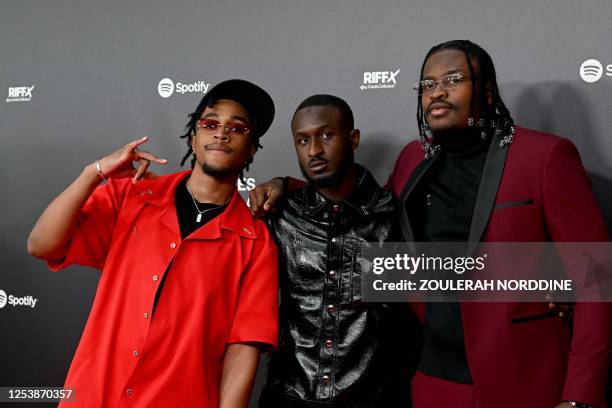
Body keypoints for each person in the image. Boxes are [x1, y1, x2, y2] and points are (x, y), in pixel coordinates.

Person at [250, 41, 611, 408]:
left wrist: (580, 398)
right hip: (429, 381)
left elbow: (597, 280)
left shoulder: (544, 155)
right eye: (427, 84)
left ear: (486, 91)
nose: (437, 91)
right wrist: (286, 186)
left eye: (453, 79)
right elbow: (362, 207)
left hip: (518, 377)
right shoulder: (413, 159)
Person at [27, 79, 279, 408]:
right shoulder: (130, 197)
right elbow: (41, 244)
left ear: (252, 149)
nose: (221, 133)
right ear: (194, 136)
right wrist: (95, 172)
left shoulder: (256, 243)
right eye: (211, 123)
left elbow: (243, 350)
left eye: (238, 127)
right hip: (93, 397)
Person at [257, 95, 419, 408]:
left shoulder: (393, 216)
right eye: (303, 140)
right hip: (290, 396)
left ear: (353, 138)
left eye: (326, 136)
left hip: (375, 399)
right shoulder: (280, 215)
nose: (314, 151)